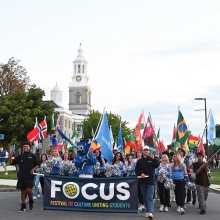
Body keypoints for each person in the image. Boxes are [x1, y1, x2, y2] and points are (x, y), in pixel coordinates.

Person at [9, 142, 40, 213]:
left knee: (29, 190)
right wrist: (10, 156)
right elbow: (11, 162)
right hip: (21, 176)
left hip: (29, 176)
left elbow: (38, 164)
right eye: (24, 147)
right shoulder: (20, 156)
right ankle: (23, 206)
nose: (25, 148)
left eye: (27, 146)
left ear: (29, 147)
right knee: (23, 191)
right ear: (23, 148)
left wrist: (33, 169)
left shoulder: (33, 155)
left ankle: (31, 201)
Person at [135, 146, 160, 219]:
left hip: (150, 181)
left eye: (147, 150)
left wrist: (154, 158)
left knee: (149, 197)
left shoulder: (152, 159)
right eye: (145, 150)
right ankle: (147, 211)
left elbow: (157, 165)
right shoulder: (139, 161)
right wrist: (141, 173)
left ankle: (150, 212)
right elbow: (136, 170)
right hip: (142, 181)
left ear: (149, 151)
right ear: (142, 151)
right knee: (145, 197)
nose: (146, 151)